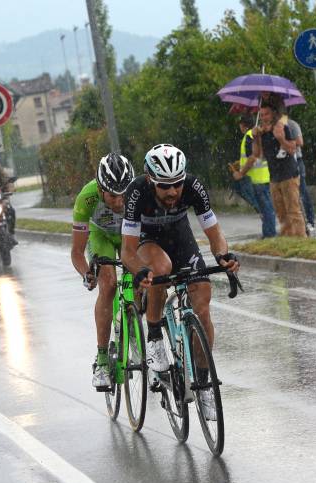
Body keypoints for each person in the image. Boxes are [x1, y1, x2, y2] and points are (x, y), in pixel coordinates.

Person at [121, 144, 240, 420]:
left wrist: (222, 255)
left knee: (203, 306)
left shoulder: (193, 186)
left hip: (179, 237)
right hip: (147, 240)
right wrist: (140, 271)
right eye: (165, 186)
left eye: (176, 184)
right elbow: (127, 250)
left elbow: (214, 233)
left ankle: (203, 382)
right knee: (160, 268)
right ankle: (154, 337)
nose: (173, 192)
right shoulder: (136, 192)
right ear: (151, 180)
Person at [71, 153, 134, 391]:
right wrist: (86, 273)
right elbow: (77, 251)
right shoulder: (86, 199)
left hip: (130, 235)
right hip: (101, 237)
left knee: (141, 280)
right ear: (100, 188)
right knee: (108, 285)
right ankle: (102, 360)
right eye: (111, 196)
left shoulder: (138, 191)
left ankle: (137, 329)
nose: (119, 202)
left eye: (123, 195)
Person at [251, 104, 307, 237]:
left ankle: (301, 238)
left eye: (267, 114)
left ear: (273, 115)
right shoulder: (262, 134)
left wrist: (281, 138)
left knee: (293, 210)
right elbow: (257, 154)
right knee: (281, 212)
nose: (264, 117)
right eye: (262, 115)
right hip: (274, 177)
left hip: (289, 174)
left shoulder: (282, 128)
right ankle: (288, 238)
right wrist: (255, 138)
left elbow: (292, 149)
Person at [233, 115, 277, 238]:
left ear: (243, 125)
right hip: (263, 177)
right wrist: (240, 164)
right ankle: (268, 233)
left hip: (257, 179)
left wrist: (240, 173)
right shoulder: (256, 135)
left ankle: (269, 235)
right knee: (265, 207)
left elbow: (252, 158)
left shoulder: (249, 136)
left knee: (265, 208)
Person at [287, 118, 316, 236]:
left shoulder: (292, 124)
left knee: (302, 192)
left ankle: (310, 221)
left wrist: (284, 141)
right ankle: (296, 224)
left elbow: (300, 141)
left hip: (296, 161)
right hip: (283, 164)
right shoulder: (271, 127)